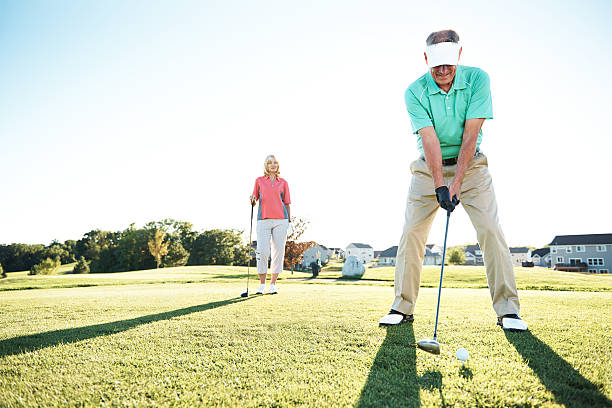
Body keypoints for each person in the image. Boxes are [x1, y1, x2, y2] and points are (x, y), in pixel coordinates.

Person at [378, 29, 527, 331]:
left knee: (490, 230)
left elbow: (471, 135)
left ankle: (508, 311)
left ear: (459, 56)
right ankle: (402, 306)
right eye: (436, 65)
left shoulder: (477, 79)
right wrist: (439, 185)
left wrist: (456, 184)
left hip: (471, 166)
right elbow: (429, 141)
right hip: (427, 169)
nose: (443, 71)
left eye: (449, 64)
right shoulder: (414, 91)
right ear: (425, 59)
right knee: (411, 234)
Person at [250, 155, 291, 295]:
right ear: (266, 166)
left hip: (281, 220)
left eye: (275, 162)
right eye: (269, 163)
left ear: (278, 165)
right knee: (262, 251)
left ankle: (273, 284)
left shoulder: (283, 182)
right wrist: (252, 199)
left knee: (278, 252)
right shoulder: (259, 181)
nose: (272, 165)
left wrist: (289, 221)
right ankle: (262, 285)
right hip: (263, 220)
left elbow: (287, 203)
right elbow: (254, 199)